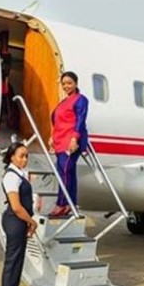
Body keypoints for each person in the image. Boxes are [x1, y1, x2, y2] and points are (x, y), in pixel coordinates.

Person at [0, 142, 38, 286]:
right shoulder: (11, 176)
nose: (25, 159)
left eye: (26, 156)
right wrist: (32, 222)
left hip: (20, 221)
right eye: (21, 156)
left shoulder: (20, 173)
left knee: (18, 264)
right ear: (12, 157)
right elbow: (16, 207)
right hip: (15, 221)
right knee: (12, 263)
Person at [48, 71, 89, 217]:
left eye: (69, 83)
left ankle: (62, 204)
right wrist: (52, 137)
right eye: (64, 83)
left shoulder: (80, 100)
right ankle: (70, 203)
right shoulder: (63, 102)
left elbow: (80, 120)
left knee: (65, 171)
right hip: (60, 141)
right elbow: (58, 122)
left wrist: (74, 139)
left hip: (70, 141)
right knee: (66, 172)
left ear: (76, 84)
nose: (66, 86)